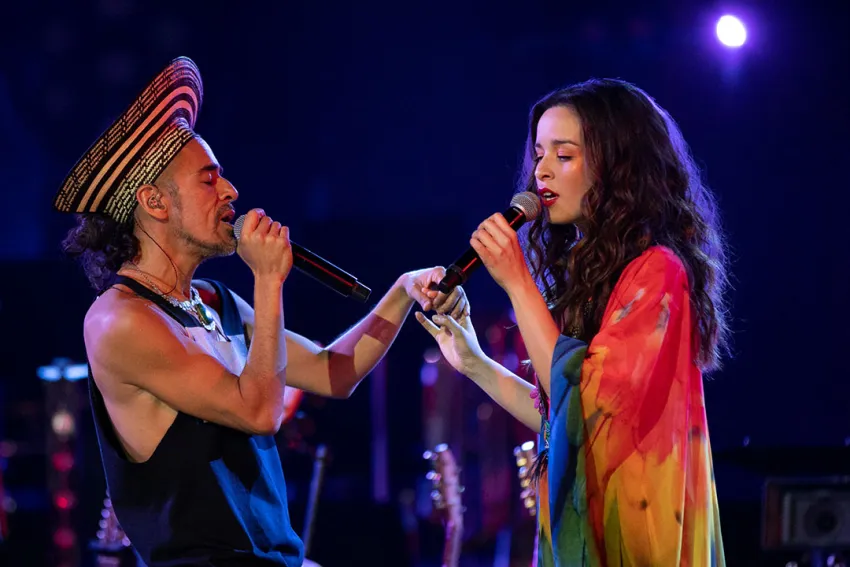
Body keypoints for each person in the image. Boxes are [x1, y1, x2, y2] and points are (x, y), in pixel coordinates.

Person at [54, 57, 468, 567]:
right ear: (154, 203)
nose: (231, 192)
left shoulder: (214, 302)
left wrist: (404, 290)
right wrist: (269, 279)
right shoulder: (118, 320)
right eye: (209, 180)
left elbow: (333, 372)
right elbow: (259, 411)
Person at [417, 78, 729, 566]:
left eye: (563, 156)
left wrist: (518, 283)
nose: (540, 171)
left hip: (635, 533)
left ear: (617, 167)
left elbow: (582, 404)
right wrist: (474, 362)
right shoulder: (590, 273)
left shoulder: (657, 272)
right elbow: (563, 417)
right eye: (539, 153)